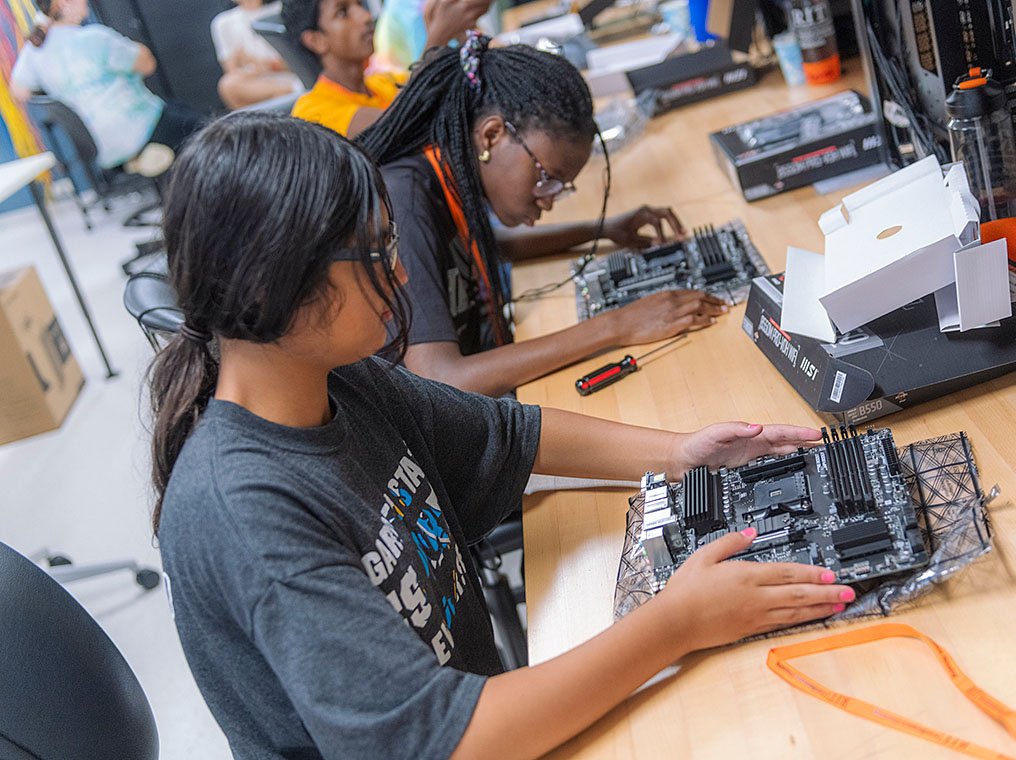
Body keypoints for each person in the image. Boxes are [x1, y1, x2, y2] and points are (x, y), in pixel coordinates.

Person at [153, 111, 853, 760]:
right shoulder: (244, 512)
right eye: (374, 253)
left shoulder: (338, 379)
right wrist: (675, 624)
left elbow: (508, 433)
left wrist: (678, 453)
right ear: (271, 285)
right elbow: (438, 741)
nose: (399, 272)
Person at [356, 35, 727, 398]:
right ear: (491, 136)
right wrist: (616, 325)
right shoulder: (402, 204)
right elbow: (440, 380)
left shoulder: (447, 172)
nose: (549, 201)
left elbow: (488, 246)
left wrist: (602, 230)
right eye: (546, 179)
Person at [10, 0, 205, 170]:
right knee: (208, 130)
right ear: (63, 2)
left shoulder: (33, 52)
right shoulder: (95, 38)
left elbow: (19, 91)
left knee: (178, 111)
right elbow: (147, 64)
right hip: (142, 129)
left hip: (99, 148)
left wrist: (61, 90)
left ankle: (138, 159)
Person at [283, 0, 487, 138]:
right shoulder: (311, 112)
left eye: (360, 4)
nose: (365, 16)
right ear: (315, 40)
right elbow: (396, 127)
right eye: (343, 12)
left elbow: (436, 88)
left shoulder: (383, 82)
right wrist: (438, 37)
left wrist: (457, 31)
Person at [211, 0, 304, 109]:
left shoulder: (284, 9)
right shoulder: (223, 22)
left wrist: (265, 65)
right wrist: (260, 67)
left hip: (292, 77)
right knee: (228, 85)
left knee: (278, 96)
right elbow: (232, 72)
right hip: (257, 85)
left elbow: (300, 61)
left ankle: (288, 92)